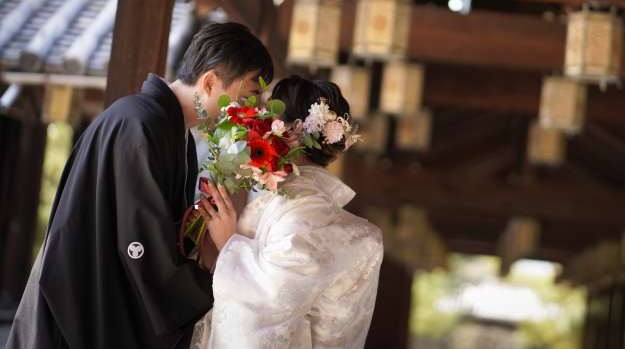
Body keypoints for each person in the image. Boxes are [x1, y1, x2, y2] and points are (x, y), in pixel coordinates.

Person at [7, 22, 274, 349]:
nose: (253, 111)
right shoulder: (140, 125)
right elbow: (141, 245)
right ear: (210, 81)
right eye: (248, 95)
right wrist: (205, 274)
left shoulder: (171, 133)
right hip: (80, 308)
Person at [190, 75, 384, 349]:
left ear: (294, 128)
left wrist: (228, 243)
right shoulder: (293, 201)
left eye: (269, 113)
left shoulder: (309, 210)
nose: (261, 122)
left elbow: (272, 296)